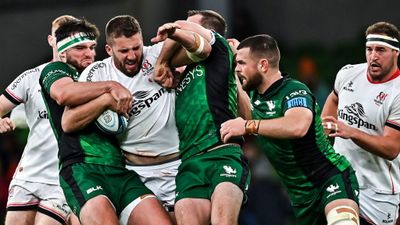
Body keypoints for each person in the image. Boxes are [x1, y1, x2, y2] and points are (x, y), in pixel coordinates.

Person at [64, 15, 211, 223]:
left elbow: (203, 50)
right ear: (108, 50)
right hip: (135, 173)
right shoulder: (96, 73)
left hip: (177, 166)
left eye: (136, 48)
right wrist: (106, 99)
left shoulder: (156, 55)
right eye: (123, 51)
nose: (132, 56)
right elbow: (68, 122)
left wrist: (167, 50)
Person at [39, 18, 173, 225]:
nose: (89, 53)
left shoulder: (98, 73)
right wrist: (109, 89)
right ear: (62, 51)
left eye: (92, 47)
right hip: (83, 167)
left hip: (120, 169)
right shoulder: (57, 70)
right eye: (80, 48)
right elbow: (64, 95)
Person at [220, 34, 360, 225]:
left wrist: (247, 126)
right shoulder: (252, 95)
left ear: (262, 65)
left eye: (242, 63)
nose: (237, 69)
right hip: (300, 198)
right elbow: (243, 104)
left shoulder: (294, 90)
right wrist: (232, 57)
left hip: (330, 179)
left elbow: (298, 126)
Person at [153, 10, 251, 225]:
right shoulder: (180, 70)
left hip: (222, 153)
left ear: (207, 32)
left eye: (192, 25)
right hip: (190, 162)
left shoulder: (219, 51)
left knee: (223, 221)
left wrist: (161, 61)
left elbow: (246, 116)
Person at [0, 15, 81, 225]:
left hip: (63, 177)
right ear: (51, 40)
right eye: (59, 36)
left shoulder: (89, 75)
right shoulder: (30, 77)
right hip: (29, 174)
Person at [321, 21, 400, 225]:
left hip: (379, 190)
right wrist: (325, 125)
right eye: (369, 49)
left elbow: (391, 148)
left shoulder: (397, 92)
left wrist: (352, 132)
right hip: (341, 177)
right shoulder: (348, 73)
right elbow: (334, 98)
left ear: (395, 52)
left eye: (381, 50)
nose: (373, 56)